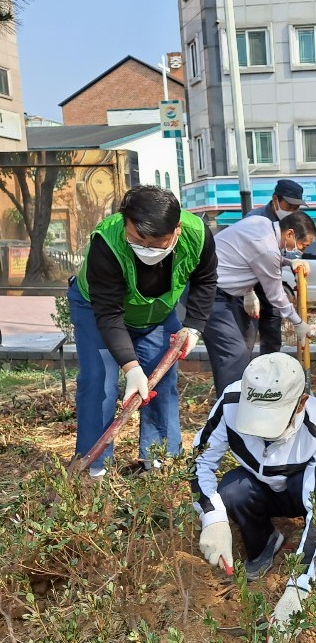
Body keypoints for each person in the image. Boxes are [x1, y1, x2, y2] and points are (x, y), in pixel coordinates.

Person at [191, 353, 316, 640]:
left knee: (315, 501)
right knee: (232, 491)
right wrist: (212, 518)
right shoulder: (231, 402)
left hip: (300, 491)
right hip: (257, 487)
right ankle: (264, 542)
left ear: (300, 403)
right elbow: (199, 461)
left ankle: (314, 558)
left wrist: (298, 587)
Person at [69, 185, 217, 477]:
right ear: (125, 222)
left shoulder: (197, 235)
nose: (146, 248)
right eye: (136, 239)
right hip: (96, 311)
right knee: (100, 382)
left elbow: (206, 279)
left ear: (176, 230)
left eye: (156, 243)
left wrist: (194, 326)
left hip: (157, 315)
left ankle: (160, 462)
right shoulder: (107, 243)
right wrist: (131, 367)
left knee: (160, 383)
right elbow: (109, 314)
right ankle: (93, 469)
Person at [203, 210, 316, 396]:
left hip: (229, 292)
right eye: (302, 245)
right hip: (211, 293)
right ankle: (231, 410)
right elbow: (276, 295)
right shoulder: (268, 249)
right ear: (289, 234)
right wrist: (298, 322)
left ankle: (233, 399)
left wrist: (288, 262)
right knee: (234, 355)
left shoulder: (260, 222)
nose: (301, 251)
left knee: (241, 351)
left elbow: (246, 254)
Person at [246, 179, 311, 355]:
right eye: (289, 206)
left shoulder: (293, 222)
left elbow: (289, 251)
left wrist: (293, 260)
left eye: (296, 207)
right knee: (246, 340)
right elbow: (248, 258)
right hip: (248, 286)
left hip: (271, 283)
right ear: (276, 199)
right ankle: (243, 379)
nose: (292, 211)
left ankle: (271, 377)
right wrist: (248, 292)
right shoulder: (255, 220)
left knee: (273, 337)